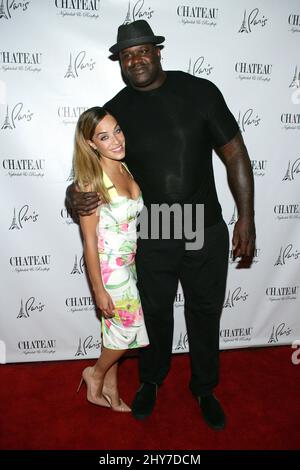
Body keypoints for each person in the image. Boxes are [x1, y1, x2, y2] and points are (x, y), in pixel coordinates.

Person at [67, 20, 255, 430]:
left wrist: (247, 218)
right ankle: (150, 381)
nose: (136, 60)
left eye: (142, 51)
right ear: (120, 62)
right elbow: (92, 162)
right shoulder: (117, 109)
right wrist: (72, 196)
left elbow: (236, 154)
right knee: (154, 312)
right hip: (153, 230)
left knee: (205, 312)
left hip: (203, 226)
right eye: (127, 55)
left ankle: (205, 388)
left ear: (157, 51)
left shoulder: (199, 91)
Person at [74, 106, 149, 412]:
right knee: (128, 329)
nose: (116, 140)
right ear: (92, 143)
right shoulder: (90, 182)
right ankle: (95, 373)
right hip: (109, 270)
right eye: (104, 137)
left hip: (128, 264)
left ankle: (111, 390)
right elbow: (89, 242)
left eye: (117, 130)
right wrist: (98, 290)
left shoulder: (124, 166)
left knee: (114, 332)